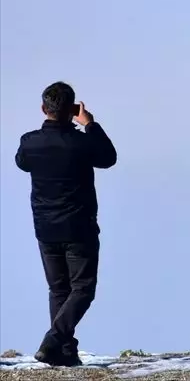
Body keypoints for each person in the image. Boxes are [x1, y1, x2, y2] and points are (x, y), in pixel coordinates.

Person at [14, 82, 117, 368]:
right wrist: (90, 125)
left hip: (45, 229)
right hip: (79, 228)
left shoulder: (29, 142)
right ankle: (53, 341)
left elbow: (22, 163)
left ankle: (64, 351)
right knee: (83, 289)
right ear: (71, 110)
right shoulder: (82, 143)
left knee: (59, 289)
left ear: (43, 109)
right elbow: (109, 158)